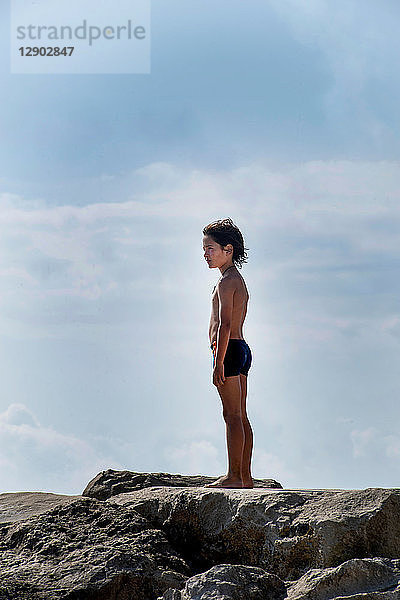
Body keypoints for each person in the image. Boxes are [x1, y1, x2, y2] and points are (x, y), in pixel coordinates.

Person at [202, 217, 254, 488]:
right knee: (241, 415)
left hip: (229, 350)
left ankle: (234, 476)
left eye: (211, 248)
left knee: (232, 416)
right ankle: (245, 477)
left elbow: (224, 324)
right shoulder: (237, 279)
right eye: (204, 249)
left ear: (228, 249)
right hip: (241, 349)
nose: (206, 254)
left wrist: (218, 362)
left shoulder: (226, 282)